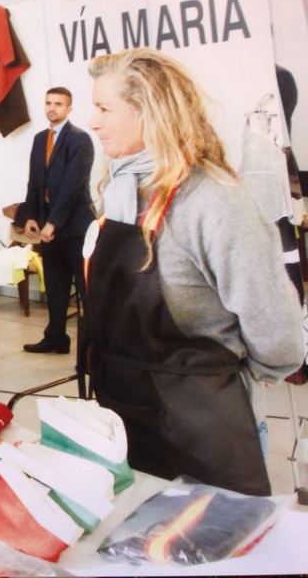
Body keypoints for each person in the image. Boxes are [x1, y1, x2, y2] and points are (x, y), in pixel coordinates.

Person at [84, 48, 305, 495]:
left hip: (204, 431)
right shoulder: (122, 190)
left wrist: (229, 375)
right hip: (125, 421)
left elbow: (280, 337)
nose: (93, 121)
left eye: (104, 108)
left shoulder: (215, 202)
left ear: (147, 112)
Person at [14, 86, 94, 354]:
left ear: (69, 108)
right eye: (48, 102)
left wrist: (53, 223)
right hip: (48, 225)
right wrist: (30, 217)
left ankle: (96, 346)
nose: (52, 108)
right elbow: (34, 184)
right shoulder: (39, 139)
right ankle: (56, 338)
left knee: (86, 291)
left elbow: (74, 186)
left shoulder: (80, 140)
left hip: (75, 226)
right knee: (56, 287)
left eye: (58, 104)